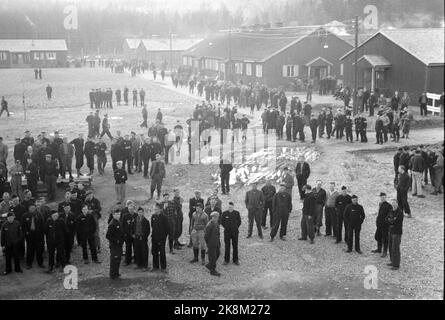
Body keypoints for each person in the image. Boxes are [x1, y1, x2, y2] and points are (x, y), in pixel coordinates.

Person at [21, 203, 45, 269]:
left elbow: (42, 225)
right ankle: (29, 264)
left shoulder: (39, 214)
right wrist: (26, 232)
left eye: (34, 208)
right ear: (29, 208)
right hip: (29, 236)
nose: (32, 209)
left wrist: (41, 234)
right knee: (30, 250)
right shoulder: (25, 215)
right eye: (31, 208)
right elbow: (23, 226)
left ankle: (40, 263)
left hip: (38, 236)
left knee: (39, 250)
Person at [372, 192, 392, 257]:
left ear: (386, 197)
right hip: (379, 224)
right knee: (378, 236)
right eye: (381, 197)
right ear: (380, 197)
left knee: (385, 239)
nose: (382, 198)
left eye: (384, 197)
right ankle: (379, 249)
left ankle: (385, 252)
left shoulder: (389, 205)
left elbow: (390, 216)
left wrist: (387, 223)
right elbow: (379, 214)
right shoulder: (380, 204)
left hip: (385, 225)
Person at [106, 209, 124, 279]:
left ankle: (116, 273)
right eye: (116, 214)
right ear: (113, 215)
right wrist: (116, 241)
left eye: (119, 214)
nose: (118, 215)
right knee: (114, 259)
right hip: (114, 245)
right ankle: (112, 274)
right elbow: (108, 236)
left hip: (119, 245)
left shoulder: (118, 221)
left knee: (118, 259)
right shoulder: (112, 224)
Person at [150, 203, 169, 272]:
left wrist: (164, 237)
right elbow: (152, 226)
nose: (155, 210)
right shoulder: (153, 216)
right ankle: (155, 266)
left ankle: (163, 267)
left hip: (162, 238)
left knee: (162, 252)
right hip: (154, 237)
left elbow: (167, 228)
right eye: (154, 209)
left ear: (160, 209)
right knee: (154, 252)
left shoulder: (164, 217)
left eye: (157, 209)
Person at [386, 199, 404, 270]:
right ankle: (392, 261)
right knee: (390, 247)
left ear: (397, 204)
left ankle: (396, 265)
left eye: (394, 203)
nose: (393, 204)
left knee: (395, 248)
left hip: (397, 233)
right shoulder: (391, 211)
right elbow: (386, 219)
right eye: (392, 203)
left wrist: (391, 221)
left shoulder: (400, 212)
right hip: (391, 232)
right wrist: (392, 220)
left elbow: (397, 222)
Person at [133, 207, 150, 271]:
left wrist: (143, 237)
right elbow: (132, 228)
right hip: (136, 238)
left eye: (141, 212)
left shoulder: (146, 221)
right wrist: (133, 234)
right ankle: (138, 264)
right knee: (137, 252)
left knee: (144, 252)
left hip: (143, 239)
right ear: (137, 212)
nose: (140, 213)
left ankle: (145, 266)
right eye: (139, 212)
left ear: (143, 213)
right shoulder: (134, 220)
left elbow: (148, 231)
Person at [205, 211, 221, 277]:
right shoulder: (209, 225)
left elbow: (218, 234)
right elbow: (206, 236)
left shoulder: (216, 223)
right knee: (212, 257)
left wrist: (219, 242)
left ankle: (209, 265)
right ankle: (212, 270)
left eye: (218, 217)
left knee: (218, 254)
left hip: (216, 242)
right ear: (213, 217)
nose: (218, 218)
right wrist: (208, 244)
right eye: (217, 217)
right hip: (211, 244)